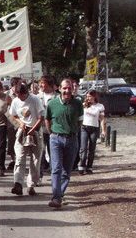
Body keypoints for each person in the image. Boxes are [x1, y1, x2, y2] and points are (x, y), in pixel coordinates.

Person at [45, 78, 84, 208]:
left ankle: (59, 194)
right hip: (56, 138)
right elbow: (47, 120)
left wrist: (73, 132)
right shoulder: (52, 104)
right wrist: (52, 133)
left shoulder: (78, 104)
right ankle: (56, 197)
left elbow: (80, 121)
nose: (67, 90)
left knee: (66, 171)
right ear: (60, 89)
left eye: (69, 88)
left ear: (72, 89)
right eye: (64, 88)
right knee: (56, 168)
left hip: (71, 139)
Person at [9, 84, 44, 196]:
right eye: (17, 95)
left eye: (21, 95)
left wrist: (33, 129)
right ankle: (18, 183)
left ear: (26, 93)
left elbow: (41, 117)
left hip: (36, 131)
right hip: (22, 132)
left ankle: (31, 184)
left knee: (35, 159)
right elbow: (13, 115)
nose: (19, 97)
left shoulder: (35, 99)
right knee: (19, 157)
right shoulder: (15, 101)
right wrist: (21, 123)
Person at [78, 90, 106, 174]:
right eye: (87, 96)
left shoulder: (100, 106)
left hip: (94, 128)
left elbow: (102, 119)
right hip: (84, 127)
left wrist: (103, 131)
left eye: (89, 96)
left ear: (94, 96)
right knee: (83, 148)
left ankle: (89, 166)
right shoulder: (84, 105)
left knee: (92, 148)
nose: (88, 98)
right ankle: (82, 165)